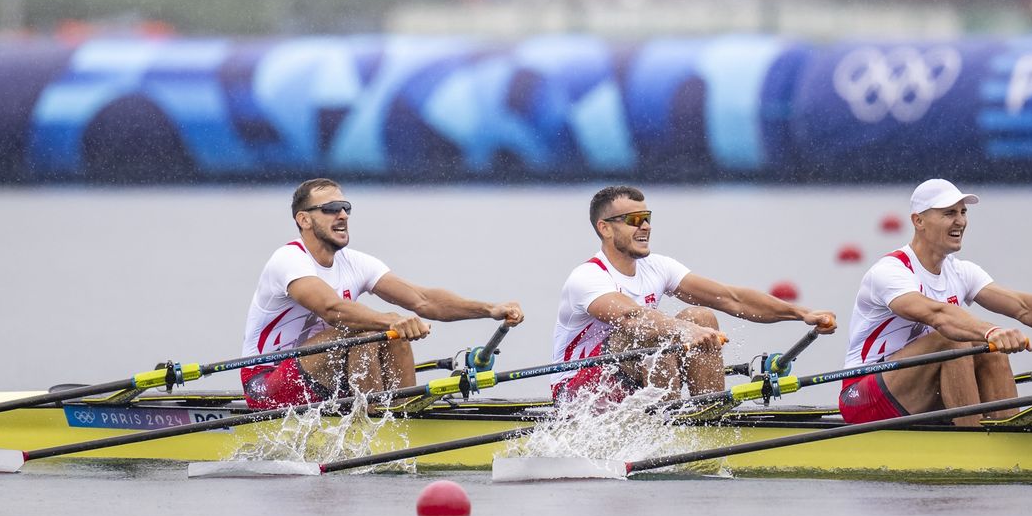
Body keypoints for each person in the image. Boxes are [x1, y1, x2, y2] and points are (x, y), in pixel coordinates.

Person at [837, 179, 1032, 426]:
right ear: (918, 220)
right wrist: (990, 331)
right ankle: (974, 443)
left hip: (916, 391)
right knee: (956, 340)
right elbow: (937, 315)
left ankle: (1009, 435)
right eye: (949, 213)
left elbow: (1023, 307)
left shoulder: (960, 271)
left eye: (963, 212)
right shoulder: (891, 272)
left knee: (991, 350)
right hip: (863, 397)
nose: (960, 221)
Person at [240, 178, 525, 410]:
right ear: (304, 219)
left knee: (392, 333)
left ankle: (404, 412)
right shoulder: (288, 260)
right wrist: (389, 321)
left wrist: (489, 309)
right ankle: (375, 422)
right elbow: (331, 308)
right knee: (368, 331)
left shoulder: (355, 262)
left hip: (323, 374)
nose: (342, 215)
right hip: (266, 383)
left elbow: (423, 300)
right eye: (330, 208)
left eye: (345, 207)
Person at [550, 185, 836, 406]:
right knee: (657, 329)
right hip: (581, 388)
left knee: (702, 315)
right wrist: (683, 330)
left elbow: (730, 298)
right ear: (606, 228)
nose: (645, 226)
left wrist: (800, 313)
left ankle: (707, 416)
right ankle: (667, 421)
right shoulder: (587, 277)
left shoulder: (658, 266)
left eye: (647, 218)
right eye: (634, 219)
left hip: (634, 379)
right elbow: (631, 316)